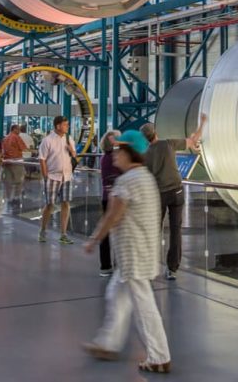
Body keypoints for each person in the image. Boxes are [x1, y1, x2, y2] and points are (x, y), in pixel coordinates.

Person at [83, 135, 171, 374]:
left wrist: (94, 240)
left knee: (143, 305)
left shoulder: (128, 181)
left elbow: (113, 214)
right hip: (139, 252)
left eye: (119, 151)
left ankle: (159, 356)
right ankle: (108, 343)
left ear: (130, 153)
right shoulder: (145, 177)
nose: (114, 155)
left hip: (134, 254)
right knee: (116, 294)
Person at [140, 115, 205, 281]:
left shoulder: (145, 154)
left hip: (158, 195)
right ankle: (172, 268)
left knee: (154, 230)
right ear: (155, 132)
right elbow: (193, 140)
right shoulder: (168, 144)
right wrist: (203, 123)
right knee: (176, 230)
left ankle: (149, 266)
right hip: (176, 193)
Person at [38, 115, 78, 244]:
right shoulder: (47, 140)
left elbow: (74, 155)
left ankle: (63, 234)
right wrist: (45, 176)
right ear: (58, 126)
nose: (68, 126)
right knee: (50, 204)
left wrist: (71, 149)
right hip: (52, 177)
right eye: (65, 124)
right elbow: (42, 159)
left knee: (65, 203)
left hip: (67, 176)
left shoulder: (69, 139)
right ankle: (43, 230)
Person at [97, 130, 121, 276]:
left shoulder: (104, 159)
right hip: (119, 199)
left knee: (106, 232)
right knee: (120, 232)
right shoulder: (117, 159)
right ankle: (119, 264)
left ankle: (105, 266)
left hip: (106, 197)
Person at [1, 123, 28, 207]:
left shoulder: (5, 138)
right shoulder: (16, 137)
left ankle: (9, 198)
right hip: (16, 161)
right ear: (14, 129)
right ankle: (16, 197)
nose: (19, 131)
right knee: (19, 180)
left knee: (8, 181)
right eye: (18, 129)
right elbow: (23, 148)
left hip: (7, 162)